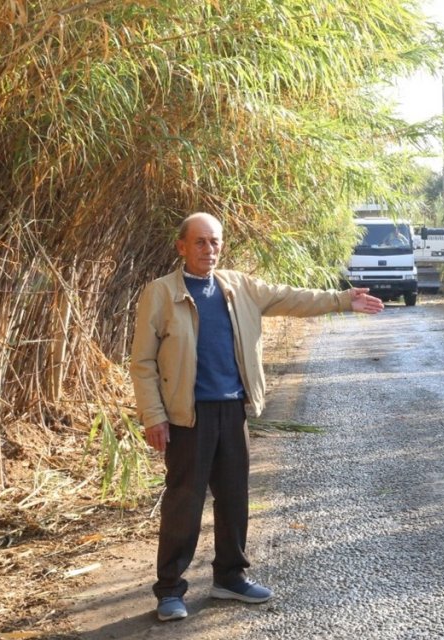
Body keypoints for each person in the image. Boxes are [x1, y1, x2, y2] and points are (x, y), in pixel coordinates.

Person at [129, 212, 384, 622]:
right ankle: (170, 591)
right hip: (186, 417)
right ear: (181, 247)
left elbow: (292, 298)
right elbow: (141, 362)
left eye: (214, 242)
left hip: (233, 410)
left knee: (234, 499)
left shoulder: (239, 287)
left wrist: (342, 300)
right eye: (199, 242)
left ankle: (230, 577)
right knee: (184, 504)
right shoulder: (160, 293)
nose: (208, 250)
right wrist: (152, 417)